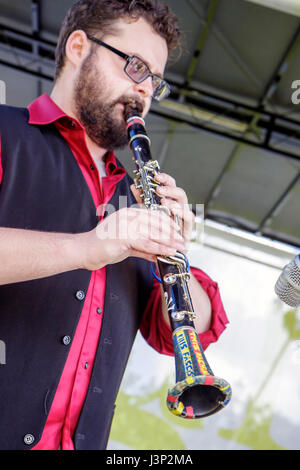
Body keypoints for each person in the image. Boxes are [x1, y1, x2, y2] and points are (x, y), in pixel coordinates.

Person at [0, 0, 229, 450]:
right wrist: (89, 247)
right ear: (79, 47)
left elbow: (187, 328)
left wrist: (176, 248)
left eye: (155, 82)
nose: (144, 91)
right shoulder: (6, 132)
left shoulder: (136, 198)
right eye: (136, 67)